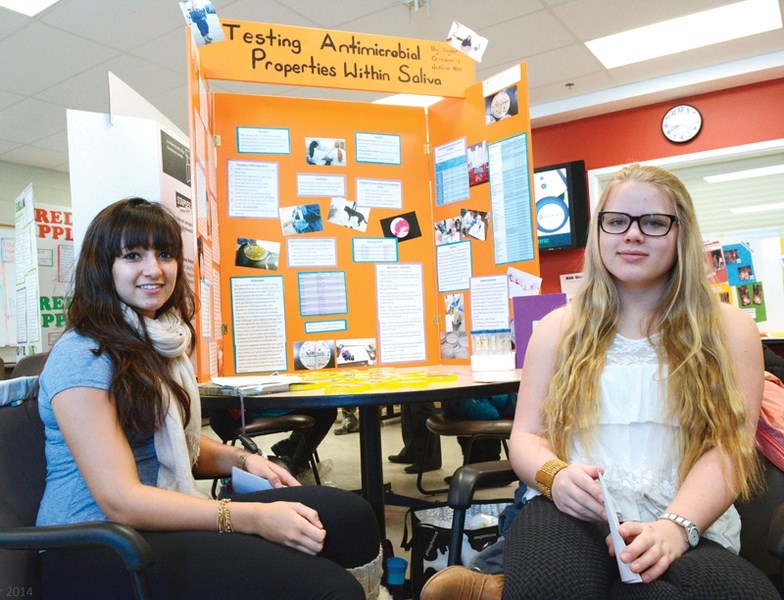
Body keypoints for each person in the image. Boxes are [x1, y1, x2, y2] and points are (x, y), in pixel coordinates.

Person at [422, 164, 779, 599]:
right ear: (600, 231)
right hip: (572, 513)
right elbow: (526, 437)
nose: (632, 234)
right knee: (551, 588)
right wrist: (554, 475)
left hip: (685, 518)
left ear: (680, 232)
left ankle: (499, 585)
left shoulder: (729, 328)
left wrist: (675, 527)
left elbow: (730, 448)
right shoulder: (558, 328)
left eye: (653, 222)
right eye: (617, 221)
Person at [36, 198, 382, 599]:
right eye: (133, 255)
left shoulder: (155, 340)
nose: (155, 269)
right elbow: (122, 501)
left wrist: (244, 459)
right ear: (103, 267)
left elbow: (177, 448)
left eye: (164, 254)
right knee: (328, 589)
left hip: (152, 519)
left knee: (351, 516)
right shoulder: (83, 355)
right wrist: (249, 518)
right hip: (95, 547)